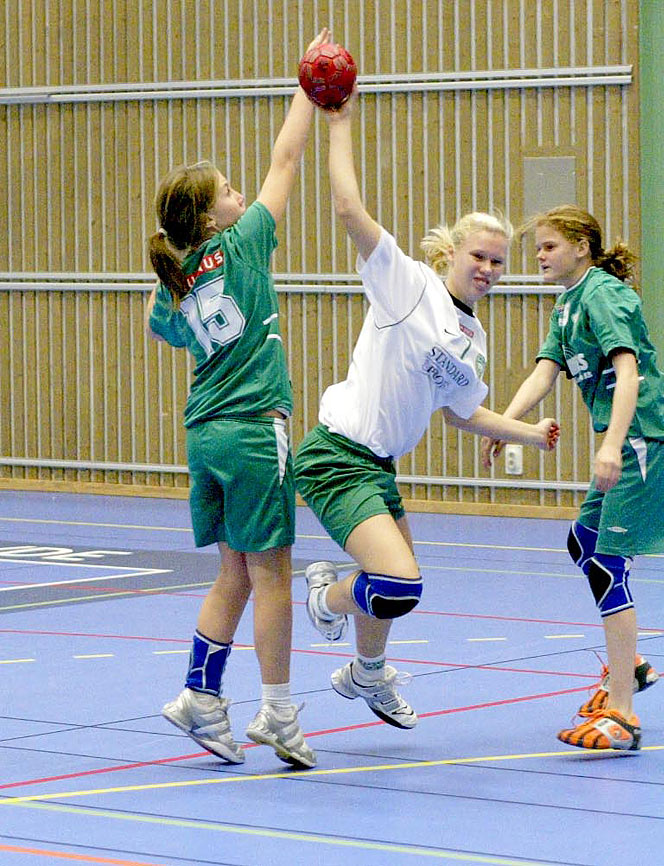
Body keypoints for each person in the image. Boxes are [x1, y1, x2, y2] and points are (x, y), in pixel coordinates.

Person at [294, 88, 559, 730]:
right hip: (337, 455)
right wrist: (340, 123)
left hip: (378, 467)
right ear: (452, 256)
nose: (489, 269)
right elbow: (348, 207)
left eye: (499, 262)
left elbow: (464, 413)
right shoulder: (407, 283)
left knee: (393, 591)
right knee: (399, 586)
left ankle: (365, 674)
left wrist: (529, 431)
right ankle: (326, 601)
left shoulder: (474, 339)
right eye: (479, 257)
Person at [149, 30, 331, 769]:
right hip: (258, 429)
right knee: (273, 574)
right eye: (227, 190)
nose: (239, 194)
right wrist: (307, 88)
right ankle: (279, 713)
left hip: (204, 435)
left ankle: (199, 693)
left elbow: (170, 330)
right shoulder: (246, 241)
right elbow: (285, 160)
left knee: (232, 571)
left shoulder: (174, 281)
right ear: (214, 216)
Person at [486, 205, 664, 751]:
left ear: (581, 246)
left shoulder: (603, 296)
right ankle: (633, 666)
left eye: (549, 246)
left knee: (605, 563)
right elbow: (544, 372)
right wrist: (506, 423)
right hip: (627, 439)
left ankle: (622, 714)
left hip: (644, 440)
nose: (540, 257)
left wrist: (609, 445)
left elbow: (629, 371)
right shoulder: (568, 304)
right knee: (584, 543)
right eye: (537, 249)